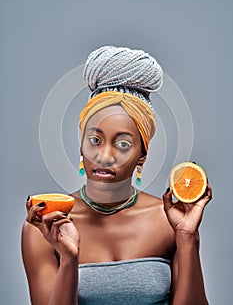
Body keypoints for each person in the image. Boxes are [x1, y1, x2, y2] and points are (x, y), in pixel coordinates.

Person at [22, 46, 212, 305]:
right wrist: (68, 259)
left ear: (142, 155)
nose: (105, 155)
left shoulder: (169, 220)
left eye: (123, 144)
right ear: (81, 147)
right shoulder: (45, 226)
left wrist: (187, 237)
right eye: (95, 140)